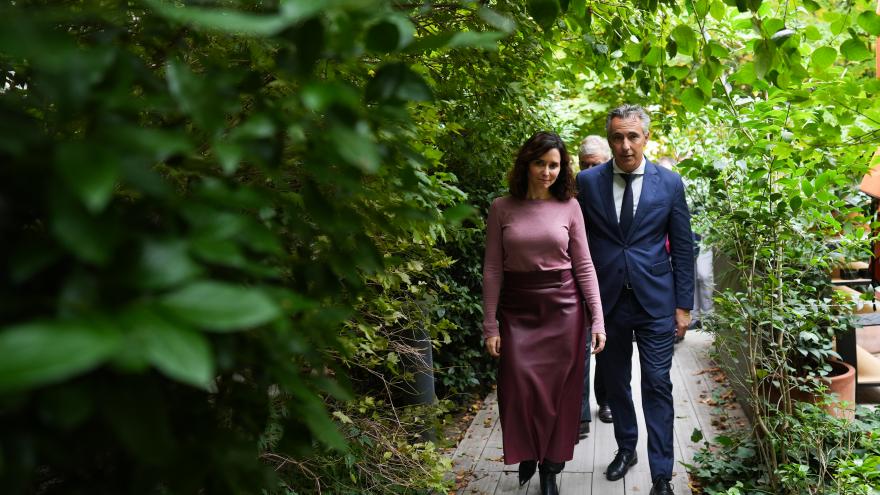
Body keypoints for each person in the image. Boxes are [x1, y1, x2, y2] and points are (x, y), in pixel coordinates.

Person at [575, 105, 694, 495]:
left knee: (657, 384)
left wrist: (683, 305)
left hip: (656, 302)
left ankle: (662, 473)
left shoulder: (670, 183)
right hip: (607, 304)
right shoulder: (588, 182)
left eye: (632, 136)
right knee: (616, 382)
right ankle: (626, 449)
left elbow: (683, 248)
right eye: (617, 137)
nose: (625, 145)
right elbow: (578, 243)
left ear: (646, 136)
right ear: (609, 139)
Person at [482, 131, 606, 495]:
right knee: (517, 388)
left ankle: (551, 467)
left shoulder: (570, 207)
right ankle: (527, 452)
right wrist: (490, 324)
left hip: (564, 310)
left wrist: (597, 318)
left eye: (554, 165)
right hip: (517, 310)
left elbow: (584, 266)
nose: (547, 172)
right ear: (526, 164)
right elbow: (492, 269)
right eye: (540, 163)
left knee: (560, 394)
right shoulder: (500, 207)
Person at [576, 135, 614, 435]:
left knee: (605, 341)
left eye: (595, 165)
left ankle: (605, 399)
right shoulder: (572, 189)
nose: (589, 170)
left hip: (607, 276)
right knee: (580, 342)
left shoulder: (612, 188)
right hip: (576, 277)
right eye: (584, 164)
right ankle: (580, 411)